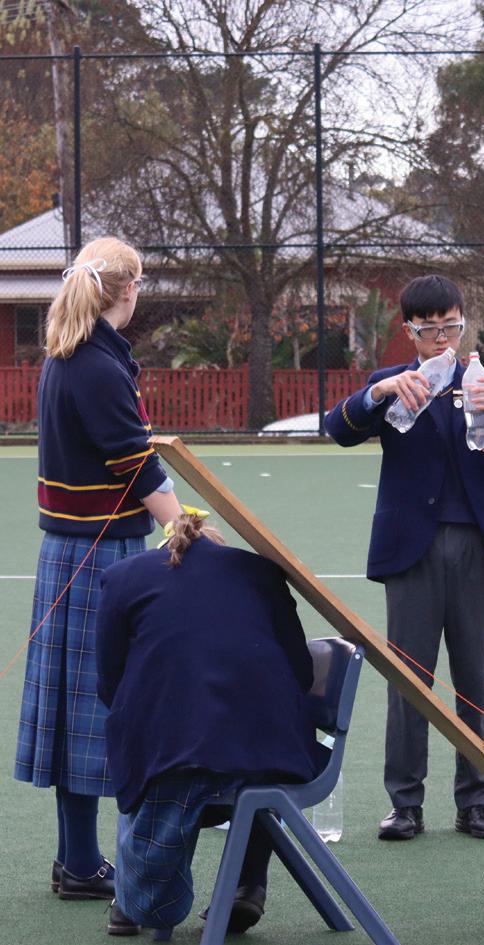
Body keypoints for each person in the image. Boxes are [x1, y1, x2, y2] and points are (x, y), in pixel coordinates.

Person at [325, 274, 484, 842]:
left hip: (477, 546)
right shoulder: (393, 383)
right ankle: (405, 804)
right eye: (430, 329)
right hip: (410, 550)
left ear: (463, 325)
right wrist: (378, 394)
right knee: (408, 681)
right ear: (410, 331)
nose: (442, 338)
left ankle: (476, 801)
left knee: (475, 680)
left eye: (452, 326)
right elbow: (337, 429)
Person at [14, 238, 181, 901]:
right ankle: (83, 863)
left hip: (72, 550)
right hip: (100, 553)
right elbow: (133, 462)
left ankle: (76, 860)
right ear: (128, 289)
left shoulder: (71, 354)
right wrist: (183, 526)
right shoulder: (96, 364)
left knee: (77, 711)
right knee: (97, 708)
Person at [94, 510, 323, 936]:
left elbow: (111, 683)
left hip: (170, 755)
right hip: (269, 752)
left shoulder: (123, 577)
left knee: (136, 734)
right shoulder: (261, 573)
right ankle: (247, 885)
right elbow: (300, 672)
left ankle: (130, 898)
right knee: (260, 749)